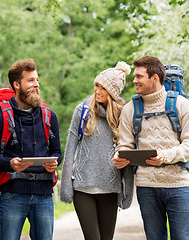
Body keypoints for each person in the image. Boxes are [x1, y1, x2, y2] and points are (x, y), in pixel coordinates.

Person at [113, 56, 189, 240]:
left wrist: (165, 155)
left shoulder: (181, 105)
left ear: (154, 78)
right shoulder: (130, 109)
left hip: (178, 185)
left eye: (139, 76)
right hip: (146, 187)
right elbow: (125, 144)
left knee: (183, 238)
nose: (134, 80)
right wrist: (119, 156)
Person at [0, 58, 62, 240]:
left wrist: (54, 163)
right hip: (12, 193)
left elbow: (57, 152)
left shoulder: (49, 115)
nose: (36, 84)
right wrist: (9, 164)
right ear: (16, 85)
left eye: (37, 79)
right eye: (30, 80)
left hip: (44, 194)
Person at [60, 61, 134, 240]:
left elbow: (127, 152)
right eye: (96, 86)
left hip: (110, 188)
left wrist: (128, 191)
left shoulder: (123, 114)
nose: (97, 91)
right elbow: (70, 148)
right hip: (82, 187)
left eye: (103, 88)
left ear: (113, 92)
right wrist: (66, 186)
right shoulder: (83, 111)